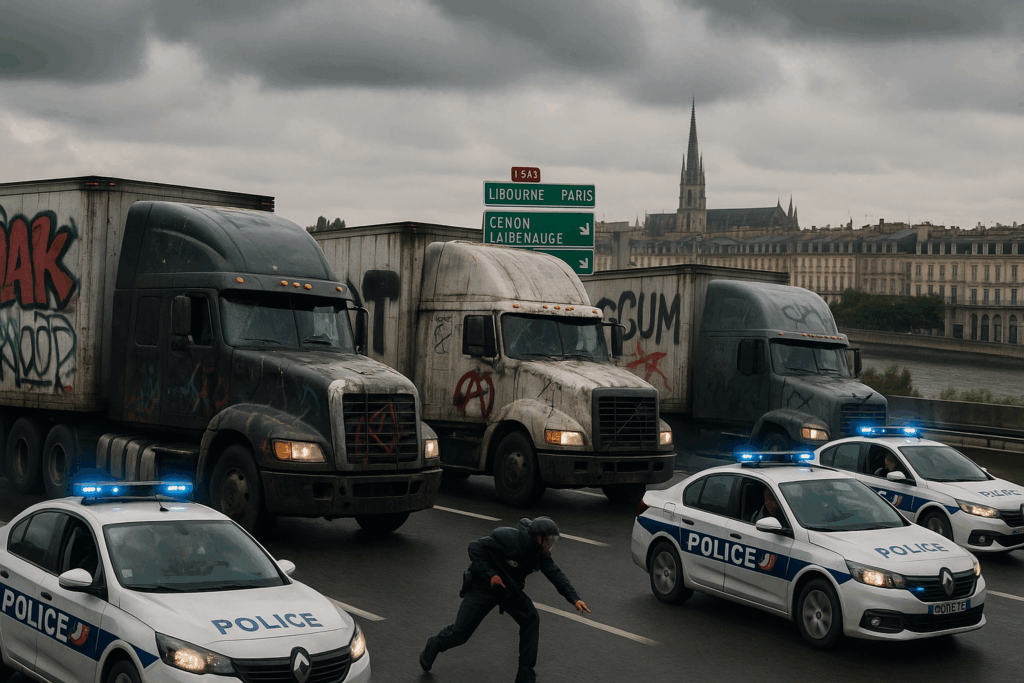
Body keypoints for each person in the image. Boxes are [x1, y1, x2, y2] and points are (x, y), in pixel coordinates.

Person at [419, 517, 590, 683]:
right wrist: (491, 575)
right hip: (483, 586)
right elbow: (474, 548)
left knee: (530, 618)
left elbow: (555, 574)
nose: (550, 545)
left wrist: (574, 598)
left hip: (509, 589)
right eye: (549, 540)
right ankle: (434, 644)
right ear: (539, 538)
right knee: (461, 634)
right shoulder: (509, 538)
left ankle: (525, 675)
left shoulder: (539, 554)